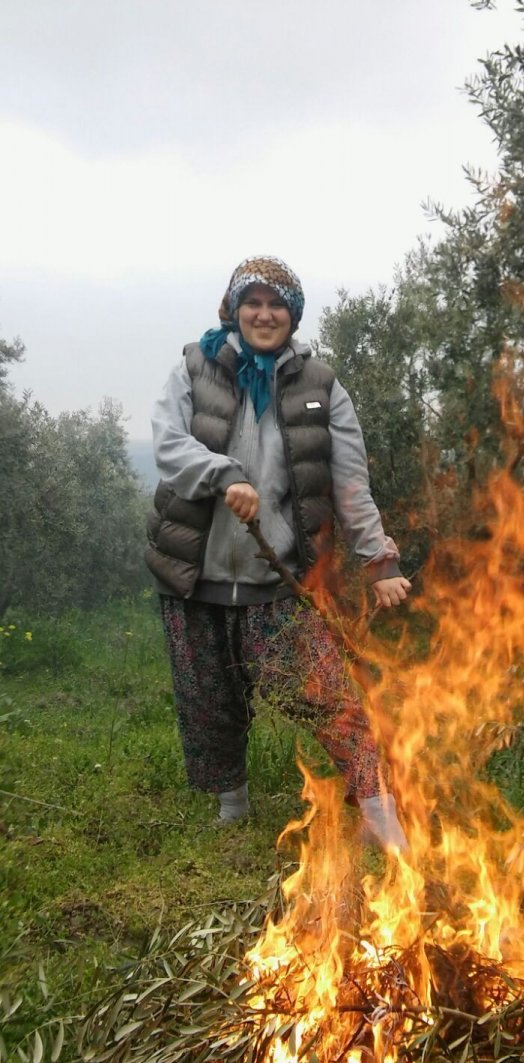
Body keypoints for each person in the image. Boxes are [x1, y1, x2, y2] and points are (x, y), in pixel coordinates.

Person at [146, 255, 411, 851]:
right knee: (209, 701)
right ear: (234, 308)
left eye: (278, 304)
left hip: (280, 579)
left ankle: (378, 812)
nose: (265, 314)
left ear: (293, 315)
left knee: (327, 695)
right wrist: (222, 475)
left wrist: (379, 561)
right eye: (253, 302)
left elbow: (349, 483)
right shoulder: (194, 368)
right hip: (195, 574)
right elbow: (167, 446)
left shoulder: (321, 386)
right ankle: (232, 810)